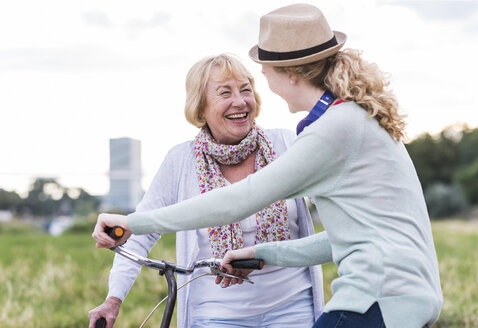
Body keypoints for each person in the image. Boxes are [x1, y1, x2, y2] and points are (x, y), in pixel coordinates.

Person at [92, 4, 443, 328]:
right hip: (402, 300)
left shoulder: (328, 132)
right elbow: (344, 240)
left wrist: (130, 222)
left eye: (260, 73)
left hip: (376, 300)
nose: (253, 88)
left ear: (288, 74)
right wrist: (261, 253)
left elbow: (241, 200)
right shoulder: (349, 120)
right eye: (225, 92)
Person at [88, 53, 324, 328]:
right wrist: (113, 299)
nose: (240, 101)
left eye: (246, 90)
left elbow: (332, 204)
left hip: (293, 310)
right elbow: (141, 234)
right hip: (215, 316)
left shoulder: (287, 143)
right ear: (200, 108)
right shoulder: (181, 161)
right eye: (225, 93)